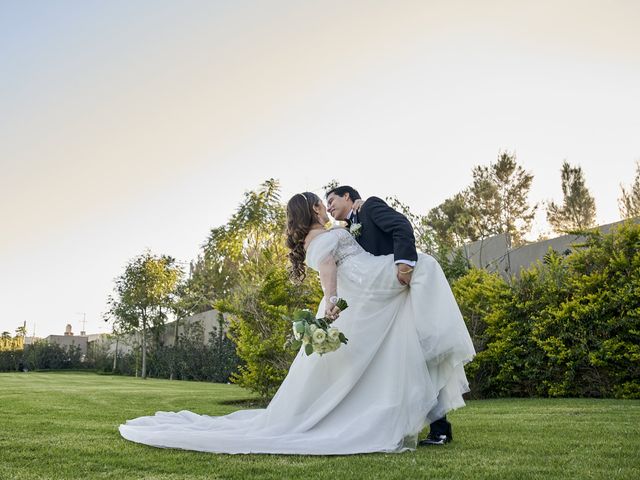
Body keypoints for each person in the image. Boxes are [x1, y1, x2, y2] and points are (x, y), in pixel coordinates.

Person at [119, 191, 474, 455]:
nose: (328, 206)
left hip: (368, 280)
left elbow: (343, 263)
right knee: (425, 264)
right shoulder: (323, 237)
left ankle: (434, 359)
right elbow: (329, 276)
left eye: (332, 201)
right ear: (315, 209)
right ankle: (438, 339)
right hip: (369, 282)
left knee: (411, 308)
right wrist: (333, 305)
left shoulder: (326, 233)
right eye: (324, 203)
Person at [326, 185, 462, 445]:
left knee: (425, 356)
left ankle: (440, 429)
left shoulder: (370, 206)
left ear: (347, 196)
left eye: (332, 200)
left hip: (408, 287)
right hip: (388, 299)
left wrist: (404, 265)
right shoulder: (348, 229)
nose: (330, 207)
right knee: (404, 362)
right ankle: (421, 426)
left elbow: (401, 225)